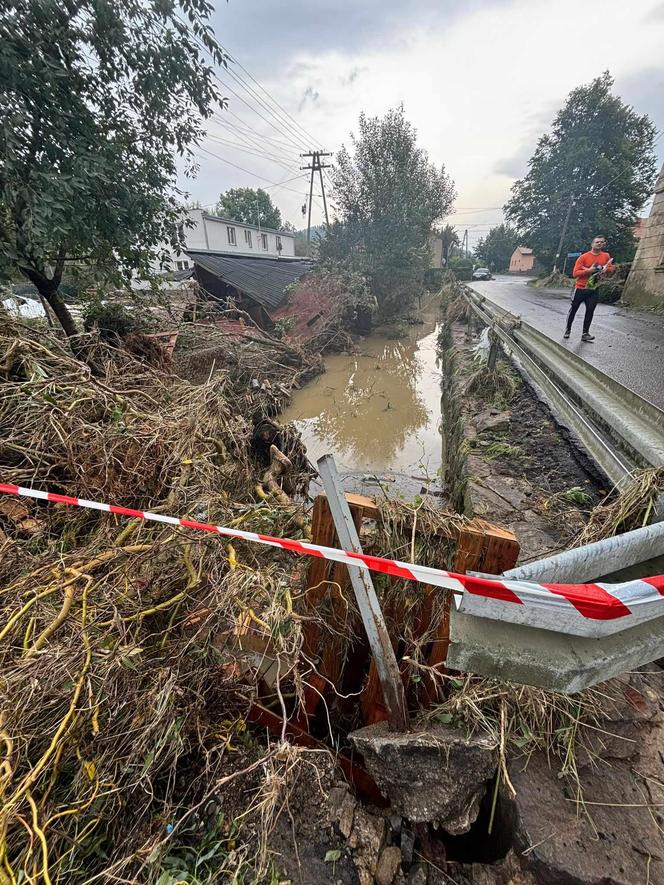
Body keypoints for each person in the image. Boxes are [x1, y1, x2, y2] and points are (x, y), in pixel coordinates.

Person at [564, 236, 615, 342]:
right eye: (597, 242)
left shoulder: (606, 256)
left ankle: (585, 333)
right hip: (580, 288)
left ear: (604, 244)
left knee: (590, 311)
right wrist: (589, 271)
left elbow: (610, 268)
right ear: (592, 244)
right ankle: (568, 329)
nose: (599, 244)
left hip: (593, 289)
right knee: (573, 310)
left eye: (601, 242)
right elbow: (575, 273)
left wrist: (605, 270)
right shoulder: (583, 257)